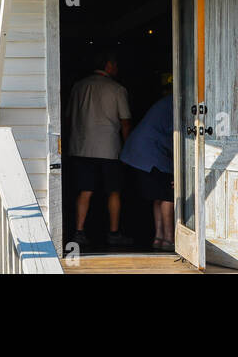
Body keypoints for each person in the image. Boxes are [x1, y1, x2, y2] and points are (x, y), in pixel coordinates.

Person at [66, 51, 132, 248]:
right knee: (114, 191)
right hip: (109, 148)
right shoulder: (117, 89)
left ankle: (79, 231)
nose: (117, 69)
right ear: (109, 66)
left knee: (85, 191)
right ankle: (114, 233)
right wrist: (128, 148)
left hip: (81, 147)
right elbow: (126, 122)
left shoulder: (78, 87)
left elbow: (68, 118)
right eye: (116, 65)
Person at [120, 92, 174, 251]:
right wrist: (179, 170)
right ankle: (170, 239)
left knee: (158, 196)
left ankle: (159, 238)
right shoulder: (177, 104)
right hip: (151, 152)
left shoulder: (166, 102)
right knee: (168, 195)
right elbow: (176, 137)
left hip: (141, 150)